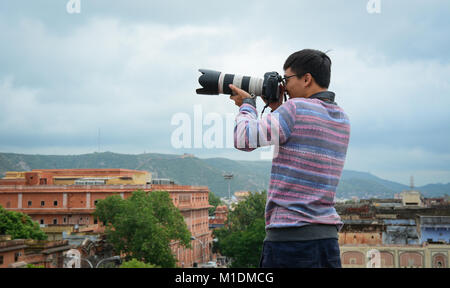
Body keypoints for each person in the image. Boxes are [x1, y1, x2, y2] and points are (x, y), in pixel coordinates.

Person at [229, 49, 350, 268]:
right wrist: (278, 110)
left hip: (290, 241)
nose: (284, 86)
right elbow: (302, 135)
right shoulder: (342, 118)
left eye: (287, 79)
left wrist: (247, 105)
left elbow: (243, 139)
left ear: (306, 79)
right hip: (327, 240)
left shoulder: (295, 109)